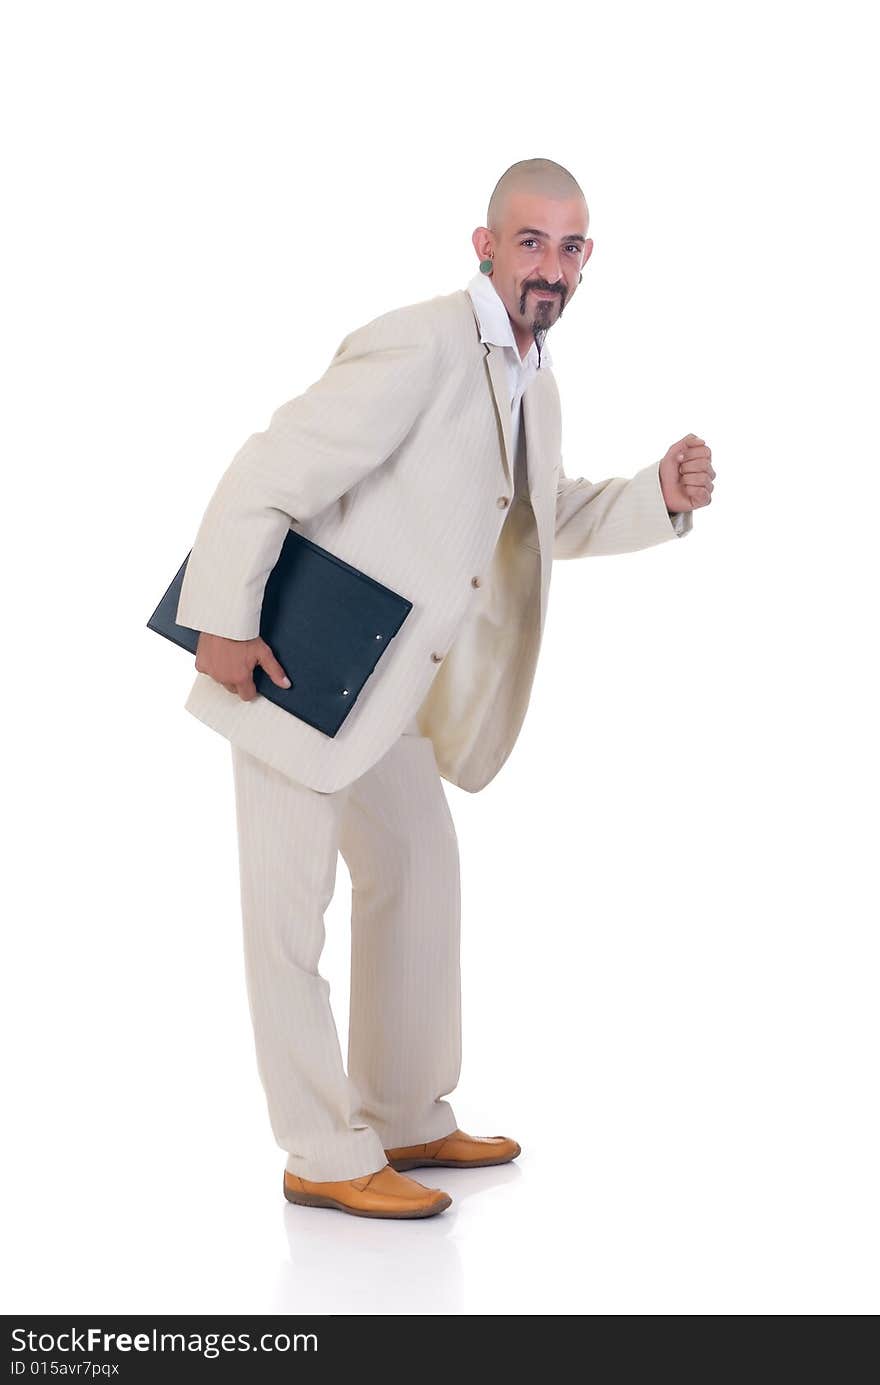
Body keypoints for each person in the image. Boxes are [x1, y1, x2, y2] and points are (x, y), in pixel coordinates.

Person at [174, 157, 715, 1220]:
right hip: (289, 669)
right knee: (287, 921)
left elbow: (539, 517)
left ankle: (405, 1108)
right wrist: (221, 623)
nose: (548, 265)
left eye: (568, 247)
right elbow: (267, 468)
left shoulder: (532, 377)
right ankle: (323, 1152)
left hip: (387, 693)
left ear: (586, 259)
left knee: (419, 874)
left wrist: (654, 496)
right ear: (484, 243)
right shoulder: (418, 343)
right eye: (529, 241)